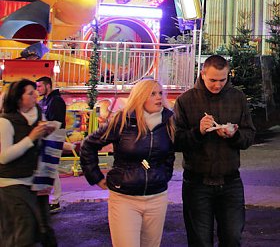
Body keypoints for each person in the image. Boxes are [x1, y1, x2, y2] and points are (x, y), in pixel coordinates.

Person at [173, 54, 256, 247]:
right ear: (202, 74)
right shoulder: (186, 100)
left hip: (230, 181)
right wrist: (198, 132)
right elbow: (175, 141)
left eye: (222, 80)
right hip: (197, 183)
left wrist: (234, 135)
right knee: (200, 241)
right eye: (212, 80)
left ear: (228, 76)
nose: (217, 85)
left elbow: (249, 135)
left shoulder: (237, 97)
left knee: (232, 238)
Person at [80, 79, 175, 247]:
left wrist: (164, 175)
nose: (159, 97)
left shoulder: (168, 122)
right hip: (124, 198)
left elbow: (169, 154)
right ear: (140, 97)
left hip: (157, 197)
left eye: (160, 93)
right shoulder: (122, 121)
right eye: (152, 94)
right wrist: (95, 176)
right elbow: (89, 145)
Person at [0, 79, 58, 247]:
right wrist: (31, 138)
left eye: (36, 91)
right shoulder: (6, 121)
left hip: (36, 180)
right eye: (30, 93)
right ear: (18, 98)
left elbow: (41, 145)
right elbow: (4, 157)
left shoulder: (39, 115)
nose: (36, 95)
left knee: (43, 227)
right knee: (23, 229)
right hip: (11, 183)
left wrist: (47, 133)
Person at [36, 76, 66, 213]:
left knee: (52, 169)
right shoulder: (44, 101)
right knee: (50, 169)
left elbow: (57, 122)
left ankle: (55, 200)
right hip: (47, 137)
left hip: (54, 138)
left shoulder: (57, 101)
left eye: (40, 86)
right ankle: (52, 200)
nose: (38, 89)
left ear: (48, 86)